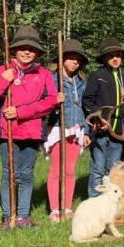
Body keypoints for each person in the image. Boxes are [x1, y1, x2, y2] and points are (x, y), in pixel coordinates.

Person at [0, 26, 57, 230]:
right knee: (9, 174)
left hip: (32, 132)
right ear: (14, 49)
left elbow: (50, 102)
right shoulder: (1, 71)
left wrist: (21, 112)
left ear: (37, 52)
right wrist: (2, 81)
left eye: (31, 48)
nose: (26, 51)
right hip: (7, 132)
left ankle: (23, 216)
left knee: (26, 174)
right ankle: (8, 217)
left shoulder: (43, 74)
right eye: (22, 47)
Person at [82, 38, 124, 198]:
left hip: (118, 133)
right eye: (111, 55)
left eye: (118, 55)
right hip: (100, 132)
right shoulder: (97, 75)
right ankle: (94, 201)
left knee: (112, 170)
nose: (115, 58)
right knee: (98, 167)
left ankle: (109, 202)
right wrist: (99, 119)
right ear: (105, 58)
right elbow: (87, 101)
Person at [44, 39, 89, 223]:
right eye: (71, 58)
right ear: (62, 59)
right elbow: (44, 105)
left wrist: (85, 131)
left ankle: (67, 207)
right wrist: (55, 101)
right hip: (57, 128)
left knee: (70, 170)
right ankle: (55, 209)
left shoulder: (81, 82)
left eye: (78, 59)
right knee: (56, 169)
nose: (75, 62)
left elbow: (84, 108)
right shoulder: (52, 79)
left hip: (76, 129)